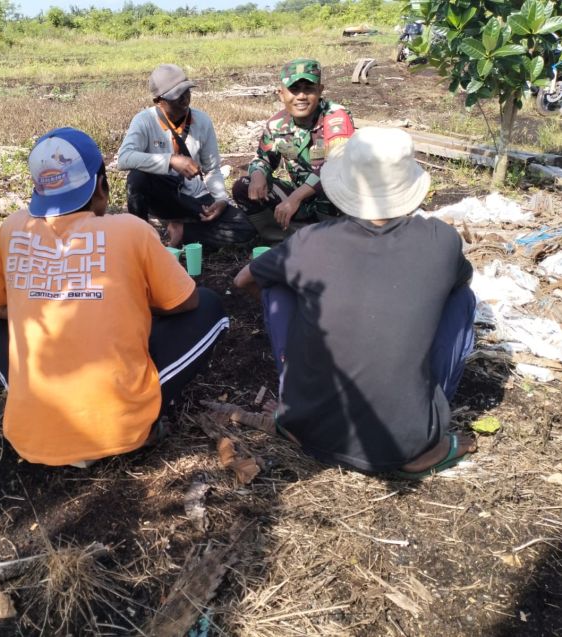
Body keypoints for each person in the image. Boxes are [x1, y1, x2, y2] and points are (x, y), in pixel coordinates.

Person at [0, 127, 229, 467]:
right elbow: (186, 302)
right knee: (211, 306)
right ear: (99, 186)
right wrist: (130, 304)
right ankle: (142, 419)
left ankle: (35, 409)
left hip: (29, 441)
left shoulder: (11, 229)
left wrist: (41, 303)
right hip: (118, 430)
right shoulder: (130, 230)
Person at [233, 127, 477, 478]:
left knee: (276, 285)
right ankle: (419, 412)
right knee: (462, 298)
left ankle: (296, 395)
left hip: (308, 430)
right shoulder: (442, 240)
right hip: (406, 446)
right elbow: (458, 284)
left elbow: (243, 279)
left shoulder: (311, 242)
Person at [117, 63, 256, 248]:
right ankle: (139, 237)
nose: (185, 100)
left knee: (244, 228)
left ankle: (181, 230)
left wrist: (221, 200)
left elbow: (212, 169)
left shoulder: (202, 121)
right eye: (177, 97)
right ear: (158, 101)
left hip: (193, 198)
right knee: (137, 177)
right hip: (162, 196)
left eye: (186, 92)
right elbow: (124, 158)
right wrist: (170, 160)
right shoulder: (144, 121)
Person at [232, 58, 355, 242]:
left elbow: (336, 166)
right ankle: (284, 236)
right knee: (243, 186)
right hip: (303, 204)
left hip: (335, 202)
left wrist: (295, 198)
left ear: (320, 91)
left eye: (308, 89)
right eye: (294, 89)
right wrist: (258, 174)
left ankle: (331, 237)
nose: (301, 96)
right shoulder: (277, 125)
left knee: (330, 191)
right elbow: (263, 158)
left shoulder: (335, 116)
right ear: (281, 94)